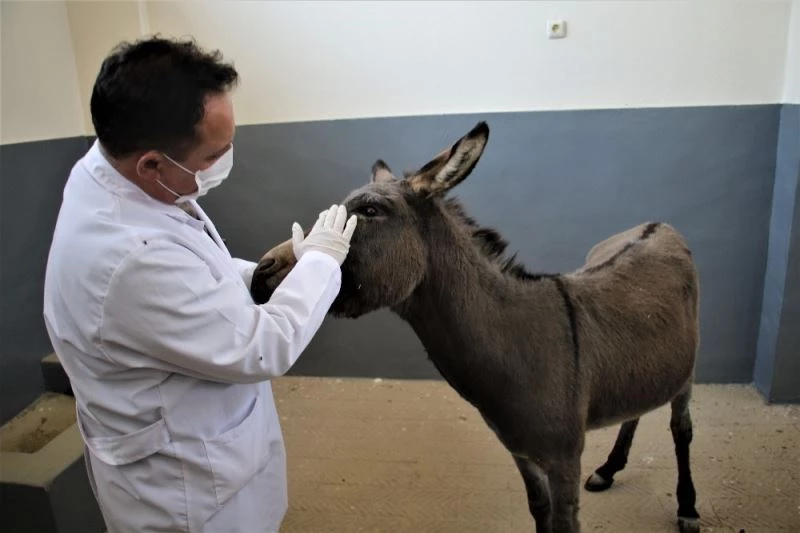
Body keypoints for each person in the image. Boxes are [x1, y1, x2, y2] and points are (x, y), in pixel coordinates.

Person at [42, 35, 356, 532]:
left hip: (198, 444)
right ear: (151, 164)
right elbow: (261, 348)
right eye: (212, 156)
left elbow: (187, 264)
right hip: (185, 494)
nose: (222, 163)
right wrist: (322, 263)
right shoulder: (129, 256)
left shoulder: (110, 173)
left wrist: (259, 276)